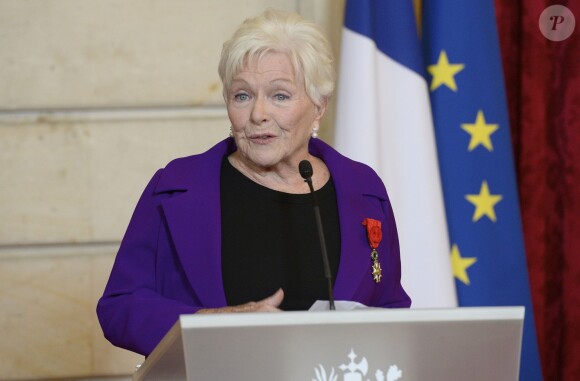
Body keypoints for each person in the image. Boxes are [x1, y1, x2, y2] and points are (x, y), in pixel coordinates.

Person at [97, 8, 410, 357]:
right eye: (242, 95)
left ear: (319, 106)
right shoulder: (174, 188)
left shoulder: (363, 190)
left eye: (280, 95)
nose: (258, 114)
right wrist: (211, 323)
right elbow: (119, 307)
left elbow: (390, 307)